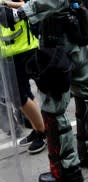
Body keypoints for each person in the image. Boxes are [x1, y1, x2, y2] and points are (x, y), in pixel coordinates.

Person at [0, 0, 88, 182]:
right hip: (79, 34)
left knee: (54, 107)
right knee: (86, 95)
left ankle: (66, 169)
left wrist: (19, 14)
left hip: (59, 41)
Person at [0, 0, 46, 154]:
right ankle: (38, 127)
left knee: (18, 96)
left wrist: (6, 3)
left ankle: (42, 131)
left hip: (25, 49)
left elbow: (28, 5)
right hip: (9, 52)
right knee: (22, 93)